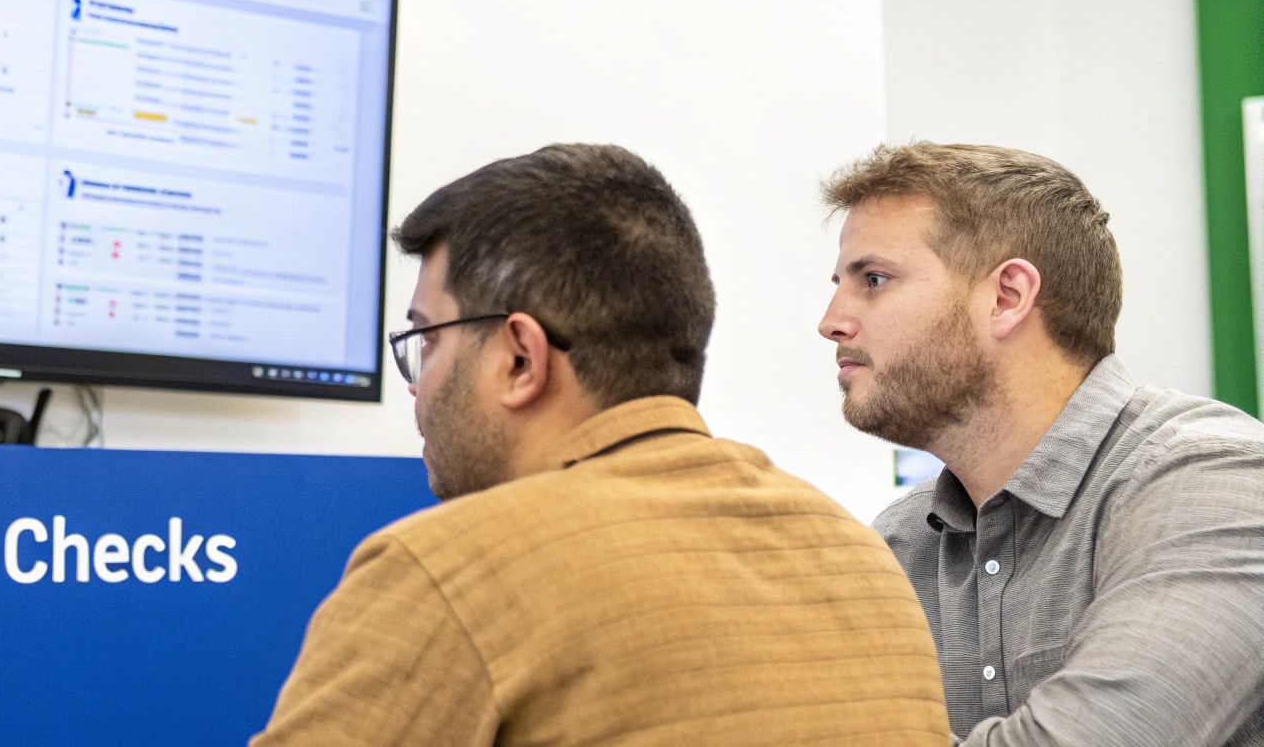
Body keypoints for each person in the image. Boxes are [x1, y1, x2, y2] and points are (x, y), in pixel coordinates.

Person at [253, 143, 949, 746]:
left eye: (427, 340)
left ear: (521, 358)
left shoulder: (447, 571)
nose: (417, 386)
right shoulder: (864, 565)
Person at [818, 141, 1264, 746]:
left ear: (1007, 297)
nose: (831, 320)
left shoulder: (1215, 480)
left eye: (874, 279)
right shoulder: (900, 545)